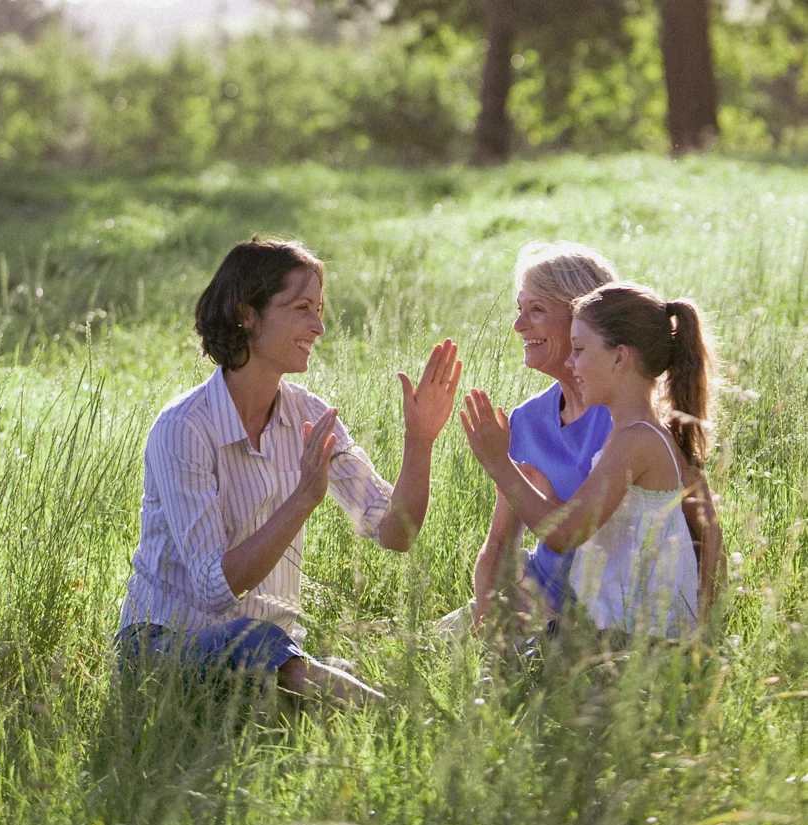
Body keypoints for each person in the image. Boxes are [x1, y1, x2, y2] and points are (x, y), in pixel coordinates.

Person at [116, 238, 462, 704]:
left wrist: (420, 440)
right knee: (261, 646)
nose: (319, 327)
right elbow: (215, 589)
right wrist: (302, 500)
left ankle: (327, 689)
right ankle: (392, 714)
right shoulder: (184, 428)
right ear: (247, 314)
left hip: (269, 652)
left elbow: (397, 533)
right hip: (163, 648)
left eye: (319, 310)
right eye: (302, 308)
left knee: (295, 662)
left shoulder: (309, 415)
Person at [459, 242, 722, 629]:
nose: (518, 325)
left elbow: (705, 532)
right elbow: (499, 543)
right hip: (538, 604)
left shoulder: (633, 426)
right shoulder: (526, 419)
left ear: (582, 313)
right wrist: (488, 616)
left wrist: (706, 632)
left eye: (537, 309)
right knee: (429, 645)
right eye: (519, 309)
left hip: (602, 625)